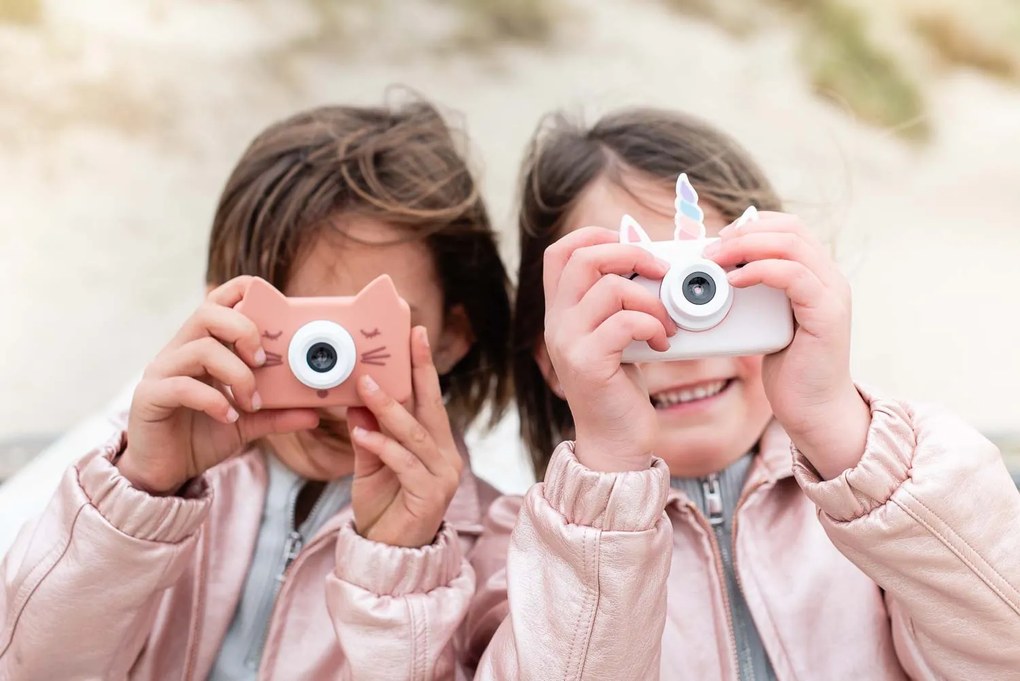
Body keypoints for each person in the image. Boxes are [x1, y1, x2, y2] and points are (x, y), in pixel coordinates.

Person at [463, 108, 1020, 679]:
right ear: (553, 356)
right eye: (633, 294)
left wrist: (839, 430)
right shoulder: (523, 551)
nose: (687, 335)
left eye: (713, 283)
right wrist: (605, 485)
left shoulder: (899, 498)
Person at [0, 97, 512, 680]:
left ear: (454, 334)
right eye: (295, 336)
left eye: (367, 336)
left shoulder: (492, 553)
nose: (328, 379)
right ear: (222, 310)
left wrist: (402, 572)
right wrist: (139, 499)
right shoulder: (137, 484)